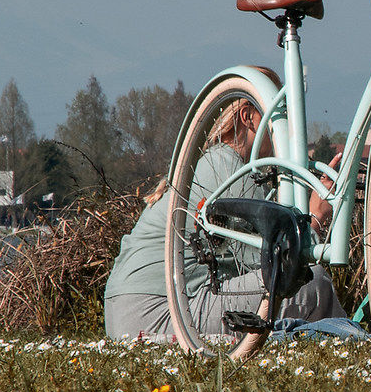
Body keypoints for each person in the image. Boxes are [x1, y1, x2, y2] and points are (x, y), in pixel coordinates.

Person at [104, 100, 342, 341]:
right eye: (278, 118)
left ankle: (345, 341)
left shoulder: (210, 162)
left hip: (127, 312)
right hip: (159, 314)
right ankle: (356, 347)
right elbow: (279, 264)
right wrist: (316, 216)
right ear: (248, 117)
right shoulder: (230, 172)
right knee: (313, 282)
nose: (286, 129)